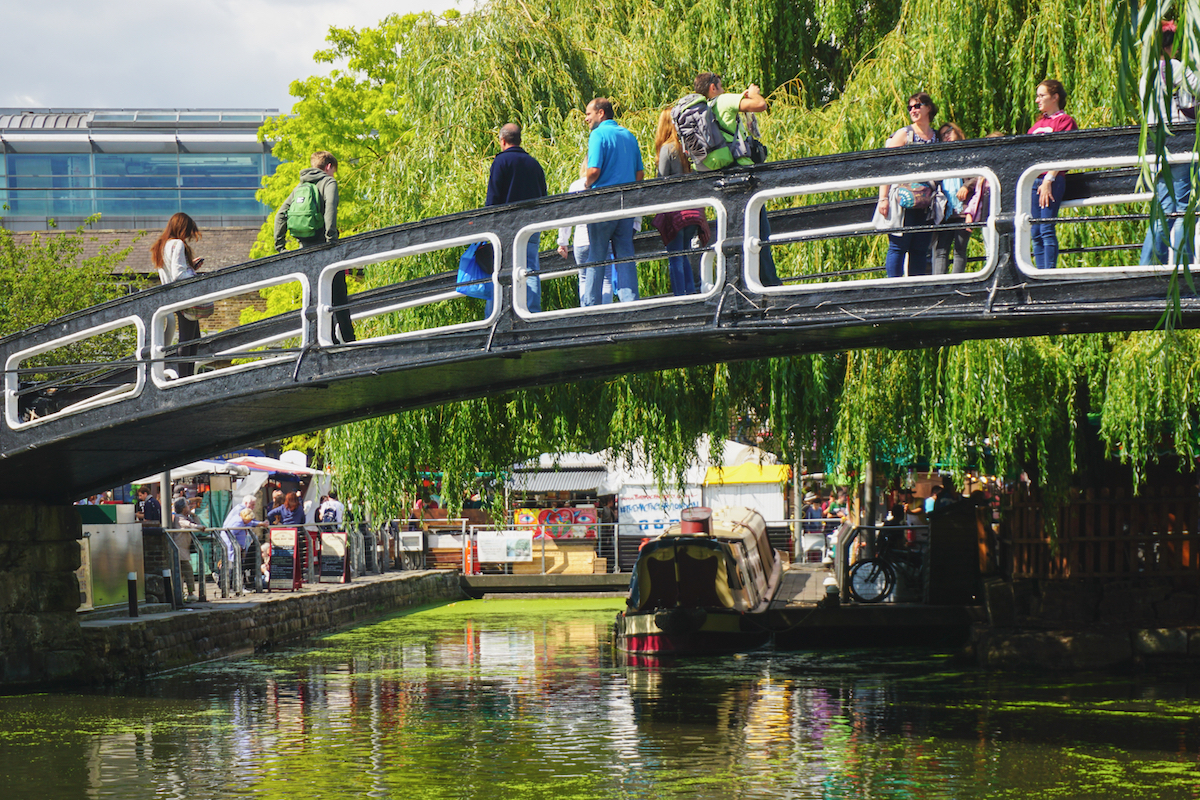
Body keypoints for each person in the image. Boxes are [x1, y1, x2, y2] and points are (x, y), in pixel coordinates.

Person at [694, 72, 780, 287]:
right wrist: (754, 93)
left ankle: (745, 283)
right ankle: (769, 283)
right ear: (713, 87)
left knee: (740, 233)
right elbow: (761, 105)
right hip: (742, 174)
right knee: (759, 233)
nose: (723, 89)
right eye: (721, 85)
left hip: (724, 175)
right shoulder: (723, 100)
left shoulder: (709, 107)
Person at [274, 151, 355, 343]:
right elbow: (330, 208)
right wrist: (331, 239)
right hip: (325, 248)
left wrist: (280, 247)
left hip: (305, 250)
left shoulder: (301, 186)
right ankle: (350, 343)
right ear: (328, 166)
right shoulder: (328, 183)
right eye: (334, 171)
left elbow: (280, 215)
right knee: (339, 297)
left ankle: (323, 342)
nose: (334, 175)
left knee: (316, 298)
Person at [1140, 20, 1200, 266]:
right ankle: (1184, 267)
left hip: (1157, 146)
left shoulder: (1147, 74)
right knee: (1185, 210)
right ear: (1173, 44)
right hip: (1181, 143)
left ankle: (1148, 269)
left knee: (1163, 212)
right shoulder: (1176, 67)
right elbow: (1194, 94)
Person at [582, 98, 644, 306]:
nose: (586, 118)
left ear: (601, 113)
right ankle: (630, 302)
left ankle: (591, 305)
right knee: (625, 255)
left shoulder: (597, 135)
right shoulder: (629, 135)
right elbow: (640, 173)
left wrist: (586, 184)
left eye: (588, 113)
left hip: (602, 204)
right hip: (625, 205)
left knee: (596, 256)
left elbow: (594, 170)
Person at [486, 123, 548, 313]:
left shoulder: (500, 163)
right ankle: (532, 311)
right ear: (519, 140)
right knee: (530, 269)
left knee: (500, 270)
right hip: (531, 226)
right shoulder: (534, 164)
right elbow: (543, 196)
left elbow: (493, 198)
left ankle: (496, 314)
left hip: (505, 227)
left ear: (502, 141)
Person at [877, 92, 940, 278]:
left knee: (920, 247)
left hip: (927, 199)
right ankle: (894, 288)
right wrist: (883, 198)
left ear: (928, 107)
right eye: (910, 107)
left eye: (917, 105)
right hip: (903, 198)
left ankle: (916, 289)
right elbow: (886, 166)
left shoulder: (936, 136)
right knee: (898, 245)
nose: (913, 110)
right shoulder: (904, 134)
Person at [1028, 79, 1078, 269]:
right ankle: (1039, 273)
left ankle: (1048, 272)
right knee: (1035, 230)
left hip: (1051, 180)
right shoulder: (1037, 124)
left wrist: (1049, 178)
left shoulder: (1065, 121)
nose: (1037, 100)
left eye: (1042, 96)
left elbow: (1064, 151)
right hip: (1033, 181)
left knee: (1046, 227)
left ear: (1055, 97)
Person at [149, 212, 205, 377]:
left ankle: (187, 376)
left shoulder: (162, 245)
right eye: (188, 231)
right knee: (188, 340)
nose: (188, 236)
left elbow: (171, 273)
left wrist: (191, 267)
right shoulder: (178, 244)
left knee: (194, 337)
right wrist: (194, 275)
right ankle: (185, 378)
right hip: (184, 297)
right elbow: (178, 275)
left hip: (172, 296)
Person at [652, 108, 698, 295]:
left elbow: (661, 179)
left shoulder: (667, 149)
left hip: (674, 211)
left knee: (675, 257)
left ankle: (680, 297)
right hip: (691, 210)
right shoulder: (687, 147)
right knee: (684, 254)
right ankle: (691, 292)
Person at [558, 162, 616, 303]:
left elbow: (567, 217)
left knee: (584, 278)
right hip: (604, 238)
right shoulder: (607, 183)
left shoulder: (575, 186)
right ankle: (607, 316)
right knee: (606, 278)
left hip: (581, 241)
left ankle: (588, 315)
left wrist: (563, 242)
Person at [931, 122, 971, 275]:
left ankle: (957, 283)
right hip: (944, 210)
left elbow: (978, 174)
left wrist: (966, 186)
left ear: (957, 131)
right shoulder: (939, 158)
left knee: (960, 249)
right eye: (942, 135)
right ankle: (939, 284)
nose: (946, 136)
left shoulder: (967, 153)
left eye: (948, 131)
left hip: (963, 209)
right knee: (941, 249)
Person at [172, 497, 204, 600]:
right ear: (182, 508)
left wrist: (193, 514)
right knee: (188, 572)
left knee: (181, 573)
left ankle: (182, 593)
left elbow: (196, 523)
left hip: (183, 550)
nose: (188, 507)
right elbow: (190, 525)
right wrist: (200, 527)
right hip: (180, 549)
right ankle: (190, 594)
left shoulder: (186, 517)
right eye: (186, 505)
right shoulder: (179, 518)